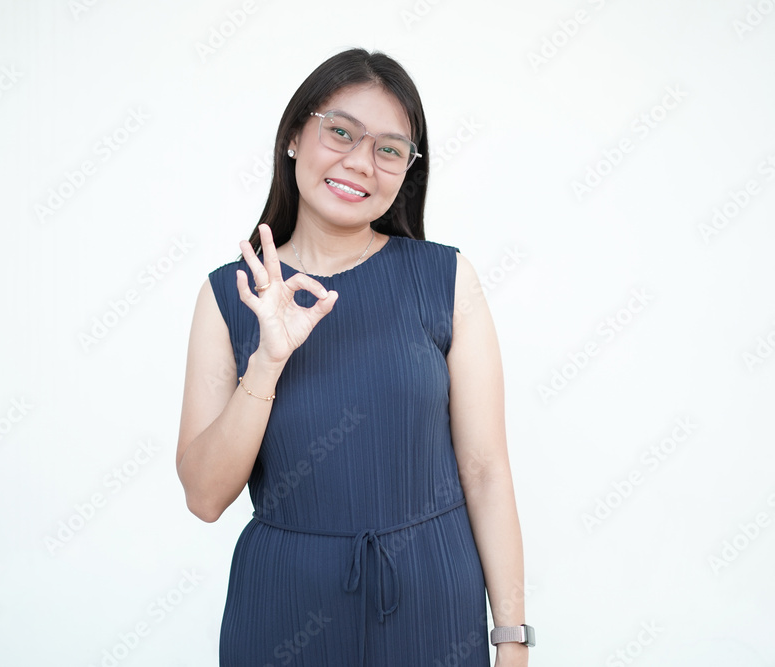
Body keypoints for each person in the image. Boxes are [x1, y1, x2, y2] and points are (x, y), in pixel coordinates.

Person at [176, 48, 531, 667]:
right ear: (294, 137)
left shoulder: (446, 279)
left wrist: (512, 637)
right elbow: (205, 498)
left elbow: (485, 471)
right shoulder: (229, 297)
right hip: (283, 610)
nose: (361, 162)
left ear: (406, 170)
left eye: (389, 149)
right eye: (341, 132)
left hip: (433, 605)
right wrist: (268, 360)